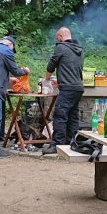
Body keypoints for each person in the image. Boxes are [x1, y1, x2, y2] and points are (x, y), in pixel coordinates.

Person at [41, 27, 84, 155]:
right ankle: (71, 143)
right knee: (72, 117)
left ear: (61, 36)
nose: (58, 41)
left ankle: (57, 145)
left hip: (68, 88)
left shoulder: (61, 47)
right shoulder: (79, 49)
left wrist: (46, 80)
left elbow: (52, 64)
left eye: (57, 38)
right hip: (78, 88)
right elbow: (70, 68)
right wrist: (60, 81)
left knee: (60, 116)